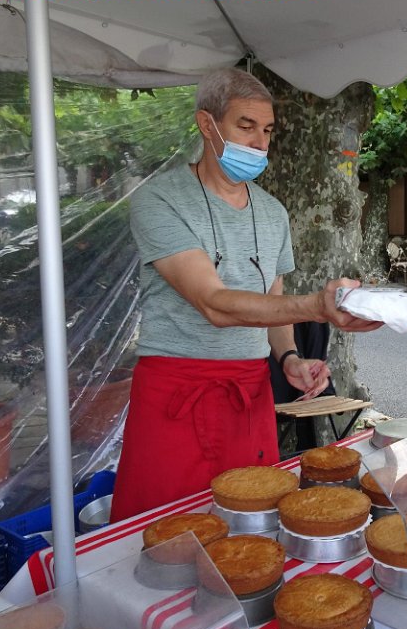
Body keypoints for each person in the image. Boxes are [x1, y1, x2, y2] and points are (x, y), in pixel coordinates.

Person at [111, 68, 379, 522]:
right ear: (207, 124)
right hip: (177, 388)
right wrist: (317, 306)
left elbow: (273, 302)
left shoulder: (273, 212)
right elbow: (213, 303)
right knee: (166, 530)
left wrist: (290, 358)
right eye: (246, 126)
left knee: (252, 524)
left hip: (249, 391)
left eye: (267, 130)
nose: (259, 143)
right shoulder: (160, 200)